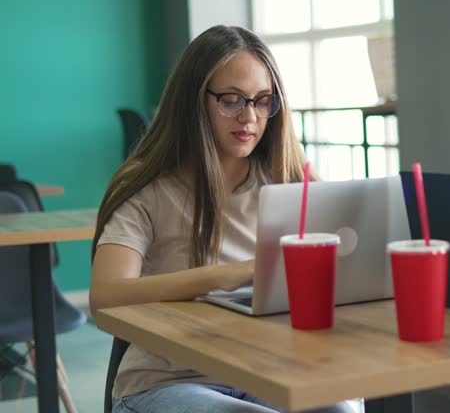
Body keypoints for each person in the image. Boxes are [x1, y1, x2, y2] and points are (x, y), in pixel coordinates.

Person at [90, 25, 359, 413]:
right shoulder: (147, 187)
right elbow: (105, 298)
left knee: (343, 410)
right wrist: (225, 275)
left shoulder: (290, 181)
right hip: (166, 382)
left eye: (262, 101)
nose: (249, 116)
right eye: (231, 100)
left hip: (267, 371)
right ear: (194, 101)